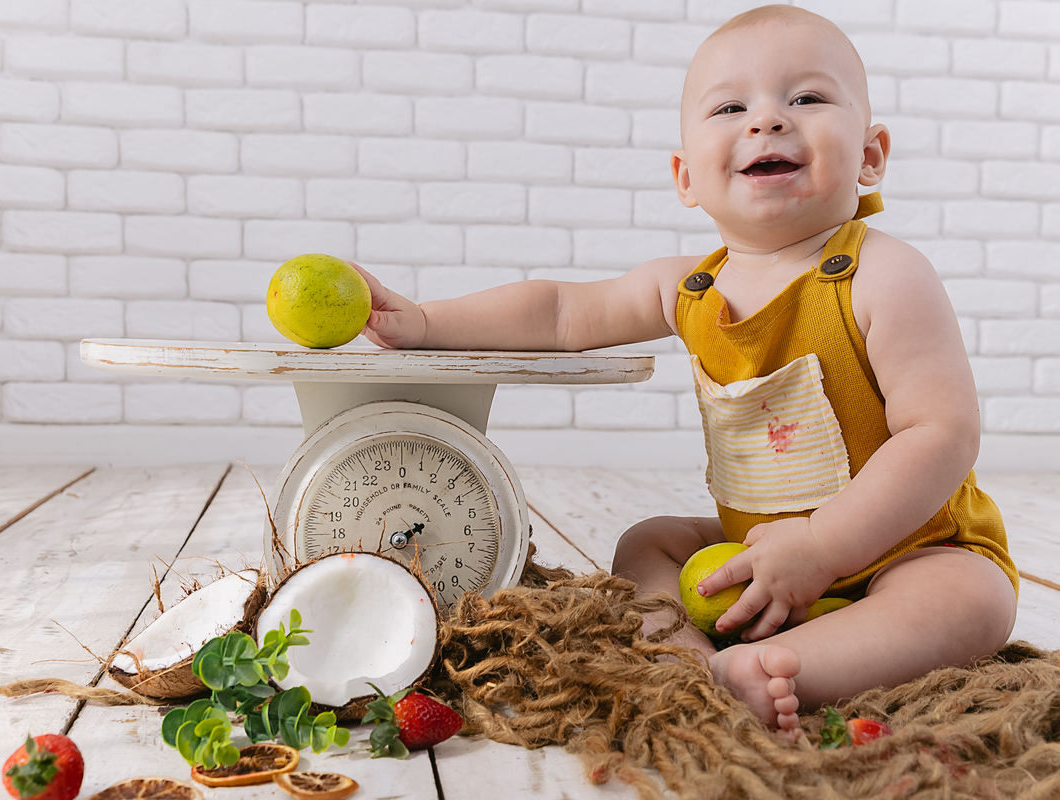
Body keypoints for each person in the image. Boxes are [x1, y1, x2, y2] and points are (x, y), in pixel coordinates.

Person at [354, 5, 1019, 740]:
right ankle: (685, 659)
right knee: (651, 543)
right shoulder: (691, 288)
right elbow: (560, 314)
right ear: (685, 177)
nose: (766, 121)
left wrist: (826, 547)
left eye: (805, 98)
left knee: (975, 599)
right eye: (731, 107)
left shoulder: (884, 276)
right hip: (760, 552)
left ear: (870, 156)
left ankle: (785, 664)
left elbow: (943, 432)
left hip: (909, 549)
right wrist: (425, 322)